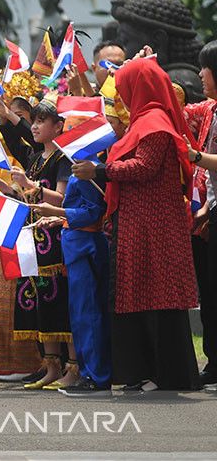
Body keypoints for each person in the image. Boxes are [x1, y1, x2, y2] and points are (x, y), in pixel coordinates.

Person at [73, 56, 200, 392]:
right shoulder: (143, 121)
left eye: (125, 86)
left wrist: (98, 171)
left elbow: (144, 167)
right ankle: (143, 370)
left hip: (154, 224)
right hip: (140, 222)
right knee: (139, 293)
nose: (122, 94)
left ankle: (168, 373)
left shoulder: (154, 123)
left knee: (158, 295)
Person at [31, 114, 113, 397]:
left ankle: (97, 376)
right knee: (80, 314)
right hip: (76, 244)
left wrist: (57, 213)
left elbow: (93, 213)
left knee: (88, 314)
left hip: (86, 245)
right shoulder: (82, 167)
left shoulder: (91, 169)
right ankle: (90, 373)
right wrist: (58, 220)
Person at [0, 99, 77, 391]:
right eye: (33, 121)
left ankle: (73, 367)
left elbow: (61, 198)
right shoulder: (34, 157)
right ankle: (51, 365)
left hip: (54, 239)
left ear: (58, 127)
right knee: (40, 301)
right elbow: (14, 139)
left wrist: (31, 187)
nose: (33, 126)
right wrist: (9, 187)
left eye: (41, 121)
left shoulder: (65, 159)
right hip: (33, 240)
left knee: (60, 302)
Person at [183, 40, 217, 388]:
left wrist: (194, 156)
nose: (199, 75)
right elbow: (175, 108)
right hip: (209, 210)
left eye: (204, 68)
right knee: (208, 291)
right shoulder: (209, 109)